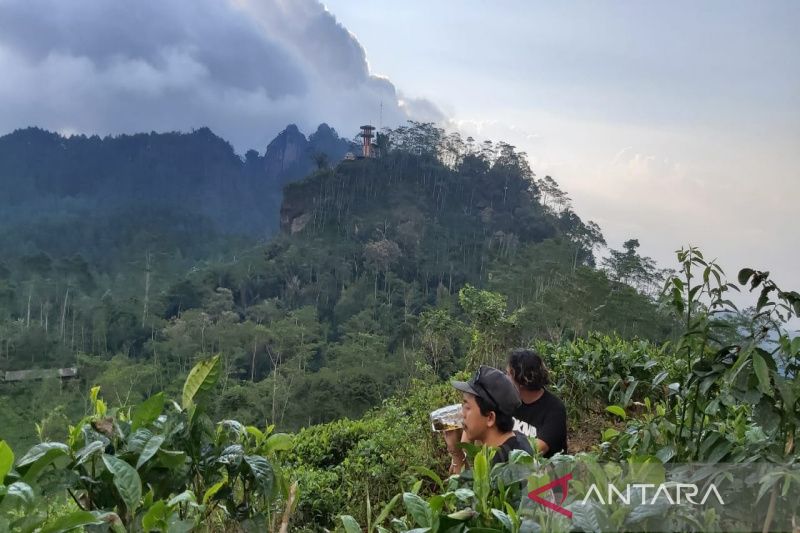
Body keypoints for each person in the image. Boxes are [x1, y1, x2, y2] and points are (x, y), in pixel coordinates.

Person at [446, 365, 534, 473]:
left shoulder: (502, 469)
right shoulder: (517, 438)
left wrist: (456, 453)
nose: (461, 413)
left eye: (467, 407)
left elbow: (469, 489)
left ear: (490, 418)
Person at [506, 348, 567, 458]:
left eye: (508, 374)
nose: (506, 379)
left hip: (550, 473)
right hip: (519, 471)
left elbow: (538, 449)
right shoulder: (510, 402)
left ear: (521, 379)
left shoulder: (554, 409)